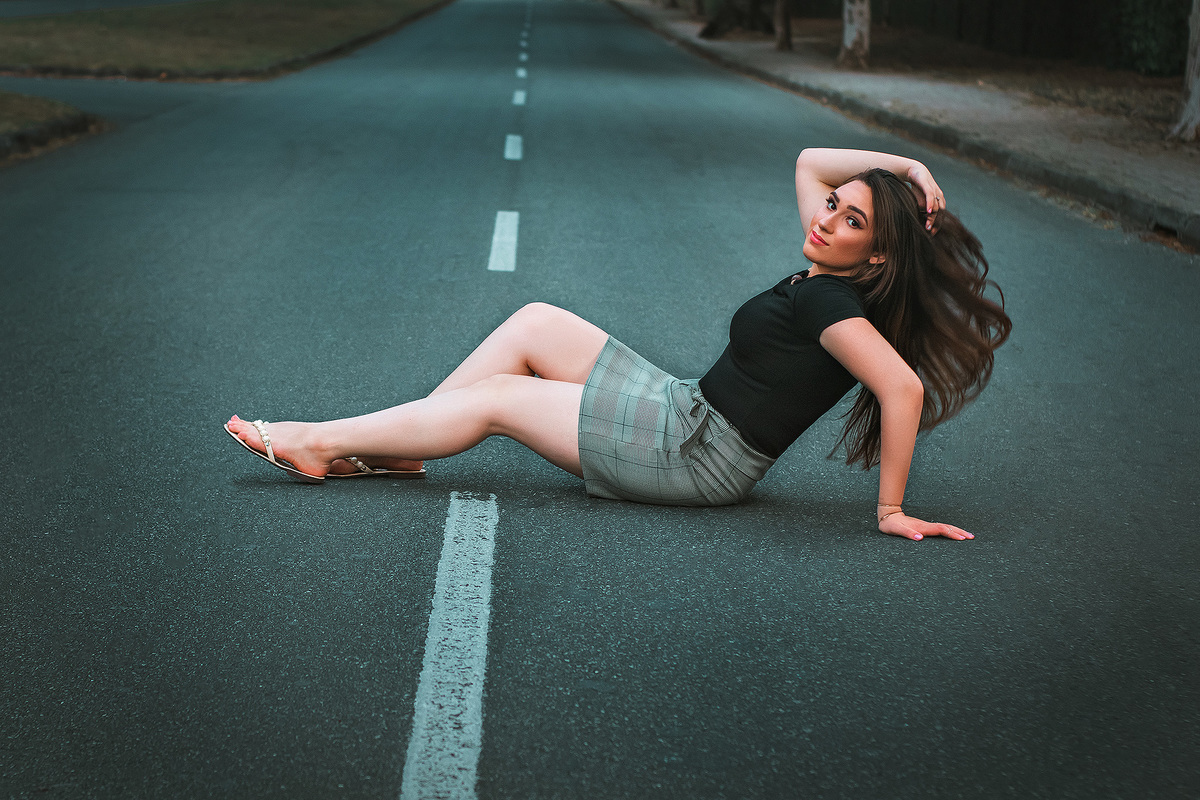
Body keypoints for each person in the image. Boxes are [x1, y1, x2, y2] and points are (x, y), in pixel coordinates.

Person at [225, 148, 1011, 541]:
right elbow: (810, 162)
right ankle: (406, 446)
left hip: (699, 458)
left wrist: (891, 510)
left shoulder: (833, 304)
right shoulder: (825, 270)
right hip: (685, 408)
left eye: (851, 221)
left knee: (500, 400)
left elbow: (900, 389)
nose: (826, 217)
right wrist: (904, 168)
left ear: (876, 256)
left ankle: (319, 443)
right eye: (836, 206)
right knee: (535, 320)